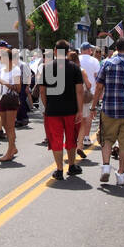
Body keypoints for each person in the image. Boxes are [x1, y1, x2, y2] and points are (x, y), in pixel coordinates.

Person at [93, 37, 124, 186]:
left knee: (107, 138)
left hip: (109, 108)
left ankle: (106, 166)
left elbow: (99, 87)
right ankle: (121, 174)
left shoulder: (107, 64)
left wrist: (94, 105)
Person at [37, 40, 85, 180]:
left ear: (55, 51)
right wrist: (80, 110)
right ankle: (71, 165)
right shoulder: (75, 68)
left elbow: (42, 91)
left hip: (53, 110)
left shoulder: (47, 68)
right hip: (71, 110)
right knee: (71, 139)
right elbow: (80, 91)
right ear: (68, 51)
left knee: (56, 140)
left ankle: (59, 169)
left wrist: (47, 106)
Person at [0, 46, 21, 163]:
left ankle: (9, 151)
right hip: (4, 99)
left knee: (9, 127)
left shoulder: (15, 69)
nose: (0, 58)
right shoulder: (3, 69)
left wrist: (5, 82)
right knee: (5, 125)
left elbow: (18, 88)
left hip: (12, 99)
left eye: (1, 57)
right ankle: (13, 148)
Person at [76, 43, 100, 159]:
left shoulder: (76, 59)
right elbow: (97, 76)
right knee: (88, 116)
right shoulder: (94, 61)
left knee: (79, 114)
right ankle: (86, 136)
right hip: (91, 91)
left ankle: (78, 137)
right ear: (89, 50)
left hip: (77, 90)